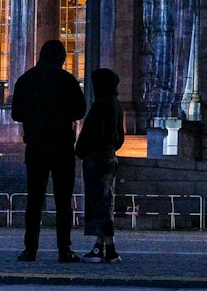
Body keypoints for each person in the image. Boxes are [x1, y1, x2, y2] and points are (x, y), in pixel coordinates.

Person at [9, 39, 86, 263]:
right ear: (61, 57)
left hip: (36, 144)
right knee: (63, 200)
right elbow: (80, 110)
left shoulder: (26, 79)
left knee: (34, 199)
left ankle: (30, 248)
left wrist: (34, 118)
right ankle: (64, 249)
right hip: (61, 144)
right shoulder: (66, 79)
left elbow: (16, 114)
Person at [74, 67, 125, 262]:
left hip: (96, 159)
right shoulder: (116, 104)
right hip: (110, 156)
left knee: (98, 203)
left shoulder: (100, 105)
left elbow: (89, 134)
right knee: (105, 202)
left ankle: (103, 249)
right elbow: (120, 137)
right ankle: (105, 247)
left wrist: (80, 151)